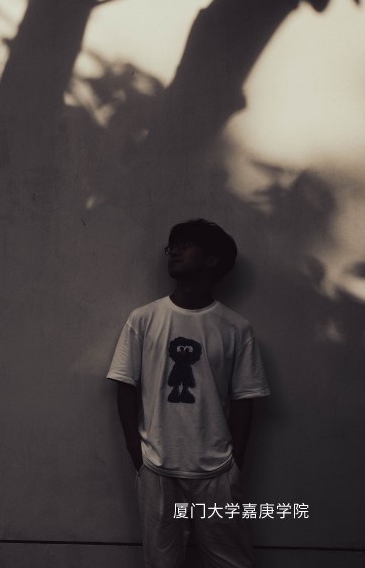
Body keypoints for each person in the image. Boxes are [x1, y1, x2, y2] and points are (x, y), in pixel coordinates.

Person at [107, 219, 270, 568]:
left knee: (232, 562)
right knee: (161, 563)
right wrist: (139, 458)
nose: (174, 251)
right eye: (173, 246)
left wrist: (234, 465)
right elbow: (125, 385)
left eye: (186, 245)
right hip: (157, 466)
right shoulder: (144, 319)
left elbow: (245, 398)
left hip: (217, 469)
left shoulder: (236, 328)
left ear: (212, 260)